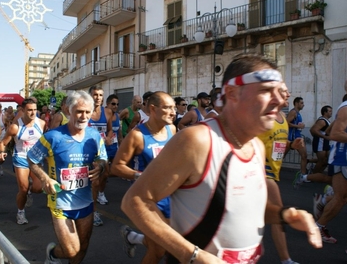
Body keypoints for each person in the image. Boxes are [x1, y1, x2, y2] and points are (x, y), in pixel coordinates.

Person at [121, 53, 321, 263]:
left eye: (280, 92)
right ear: (233, 93)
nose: (280, 100)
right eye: (265, 91)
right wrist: (193, 256)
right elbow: (135, 201)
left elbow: (245, 212)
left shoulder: (256, 146)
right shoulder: (198, 140)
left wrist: (285, 215)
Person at [27, 90, 108, 264]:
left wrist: (100, 166)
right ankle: (53, 254)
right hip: (60, 202)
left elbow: (103, 158)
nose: (83, 116)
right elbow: (32, 160)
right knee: (72, 250)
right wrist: (44, 178)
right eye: (79, 111)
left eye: (87, 112)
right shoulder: (53, 137)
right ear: (69, 111)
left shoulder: (94, 136)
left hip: (86, 200)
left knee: (83, 247)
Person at [111, 91, 176, 263]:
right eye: (168, 108)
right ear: (153, 109)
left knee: (169, 243)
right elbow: (116, 167)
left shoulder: (172, 129)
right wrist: (141, 176)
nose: (173, 112)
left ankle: (132, 237)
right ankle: (133, 237)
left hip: (169, 197)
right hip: (146, 199)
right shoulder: (137, 135)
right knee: (158, 250)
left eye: (174, 107)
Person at [257, 83, 304, 264]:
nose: (289, 94)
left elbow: (280, 151)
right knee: (278, 214)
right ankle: (286, 260)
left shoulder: (283, 117)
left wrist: (291, 146)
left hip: (273, 172)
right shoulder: (262, 116)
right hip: (260, 172)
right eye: (285, 92)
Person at [314, 76, 347, 245]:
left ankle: (325, 200)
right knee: (341, 199)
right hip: (343, 159)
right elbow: (334, 134)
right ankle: (318, 227)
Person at [0, 98, 46, 225]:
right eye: (29, 110)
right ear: (23, 110)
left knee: (39, 188)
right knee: (23, 189)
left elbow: (45, 141)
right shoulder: (15, 127)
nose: (33, 112)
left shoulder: (41, 123)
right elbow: (3, 143)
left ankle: (30, 191)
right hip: (21, 158)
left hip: (36, 159)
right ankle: (20, 212)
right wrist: (1, 152)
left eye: (35, 110)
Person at [88, 85, 113, 227]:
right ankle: (93, 212)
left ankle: (99, 193)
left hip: (102, 150)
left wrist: (109, 137)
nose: (98, 98)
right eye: (95, 95)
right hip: (88, 150)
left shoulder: (108, 112)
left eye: (100, 95)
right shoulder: (86, 112)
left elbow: (110, 130)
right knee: (94, 182)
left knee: (105, 175)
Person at [286, 97, 309, 184]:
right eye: (301, 103)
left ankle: (303, 175)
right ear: (296, 103)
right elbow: (286, 123)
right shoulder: (293, 112)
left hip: (298, 137)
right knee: (280, 157)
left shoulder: (298, 113)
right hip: (291, 139)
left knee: (304, 156)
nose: (303, 105)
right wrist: (298, 126)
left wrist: (300, 126)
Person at [105, 94, 123, 163]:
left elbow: (119, 134)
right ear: (107, 104)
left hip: (114, 149)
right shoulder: (102, 115)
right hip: (104, 150)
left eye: (117, 104)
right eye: (113, 104)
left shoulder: (118, 116)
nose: (116, 106)